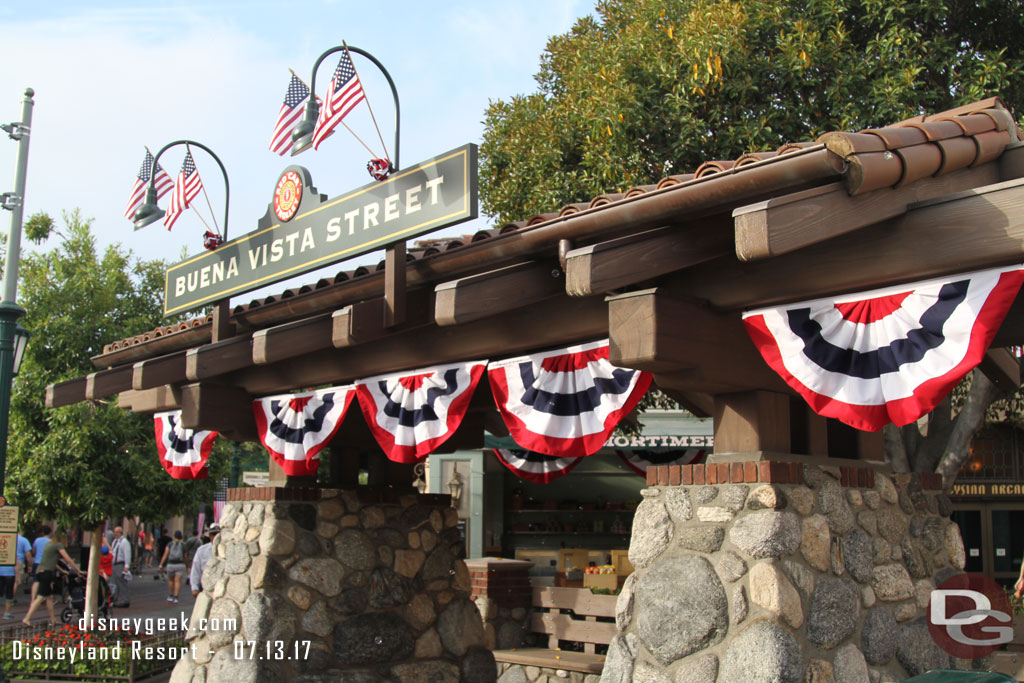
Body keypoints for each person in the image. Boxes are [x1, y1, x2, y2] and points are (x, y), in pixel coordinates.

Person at [22, 528, 80, 626]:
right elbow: (68, 560)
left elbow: (51, 562)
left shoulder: (49, 545)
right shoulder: (58, 545)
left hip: (41, 571)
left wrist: (62, 571)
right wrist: (78, 570)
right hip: (46, 573)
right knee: (40, 597)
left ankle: (53, 620)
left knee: (50, 597)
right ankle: (27, 618)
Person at [189, 524, 219, 597]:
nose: (216, 537)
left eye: (218, 534)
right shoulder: (202, 550)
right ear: (210, 536)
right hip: (205, 587)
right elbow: (196, 569)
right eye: (213, 534)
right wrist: (195, 587)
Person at [159, 530, 187, 603]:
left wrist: (161, 564)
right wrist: (187, 566)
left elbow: (165, 554)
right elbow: (185, 556)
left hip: (171, 564)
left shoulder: (170, 544)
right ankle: (176, 597)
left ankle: (171, 595)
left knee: (171, 580)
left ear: (174, 536)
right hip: (180, 564)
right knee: (178, 581)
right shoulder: (183, 545)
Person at [109, 526, 132, 608]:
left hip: (120, 564)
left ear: (120, 533)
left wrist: (126, 566)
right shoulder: (115, 541)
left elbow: (127, 554)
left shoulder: (124, 542)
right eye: (114, 532)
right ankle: (114, 599)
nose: (114, 534)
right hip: (113, 564)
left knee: (122, 583)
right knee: (114, 583)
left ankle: (125, 600)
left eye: (116, 532)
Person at [30, 525, 50, 602]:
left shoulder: (37, 540)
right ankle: (47, 597)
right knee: (47, 581)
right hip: (46, 564)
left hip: (37, 562)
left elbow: (33, 551)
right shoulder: (50, 541)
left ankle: (33, 599)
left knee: (36, 581)